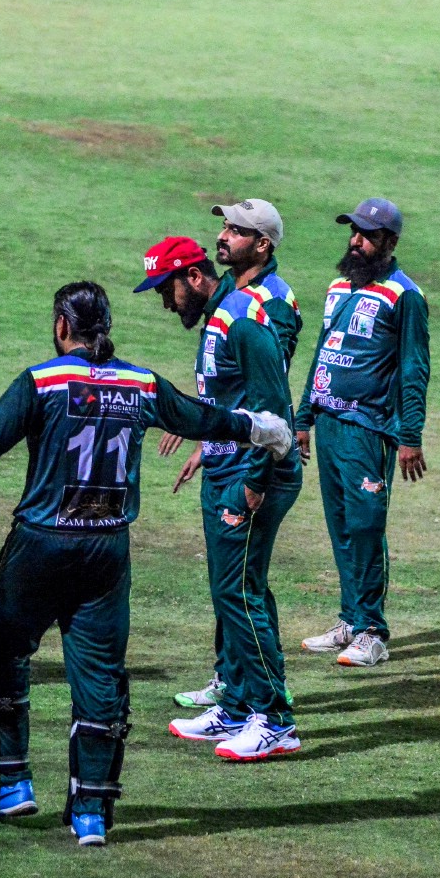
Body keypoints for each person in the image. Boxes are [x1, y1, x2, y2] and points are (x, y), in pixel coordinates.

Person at [0, 282, 294, 846]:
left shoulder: (42, 382)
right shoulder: (141, 384)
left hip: (40, 547)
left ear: (63, 326)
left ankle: (10, 786)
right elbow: (200, 418)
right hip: (107, 552)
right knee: (100, 676)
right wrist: (260, 428)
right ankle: (92, 813)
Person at [134, 237, 302, 760]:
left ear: (194, 277)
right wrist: (204, 443)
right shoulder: (221, 316)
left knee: (240, 593)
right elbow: (228, 398)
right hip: (227, 468)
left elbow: (273, 411)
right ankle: (236, 705)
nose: (165, 302)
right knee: (232, 590)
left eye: (166, 290)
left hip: (250, 475)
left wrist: (255, 480)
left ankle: (274, 720)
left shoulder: (243, 318)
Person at [295, 198, 430, 667]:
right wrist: (304, 417)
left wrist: (410, 435)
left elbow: (414, 369)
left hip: (370, 428)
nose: (356, 241)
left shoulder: (405, 295)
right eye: (354, 232)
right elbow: (323, 352)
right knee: (342, 527)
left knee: (366, 527)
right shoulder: (338, 287)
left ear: (390, 242)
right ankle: (350, 620)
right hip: (329, 425)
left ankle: (373, 632)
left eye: (367, 235)